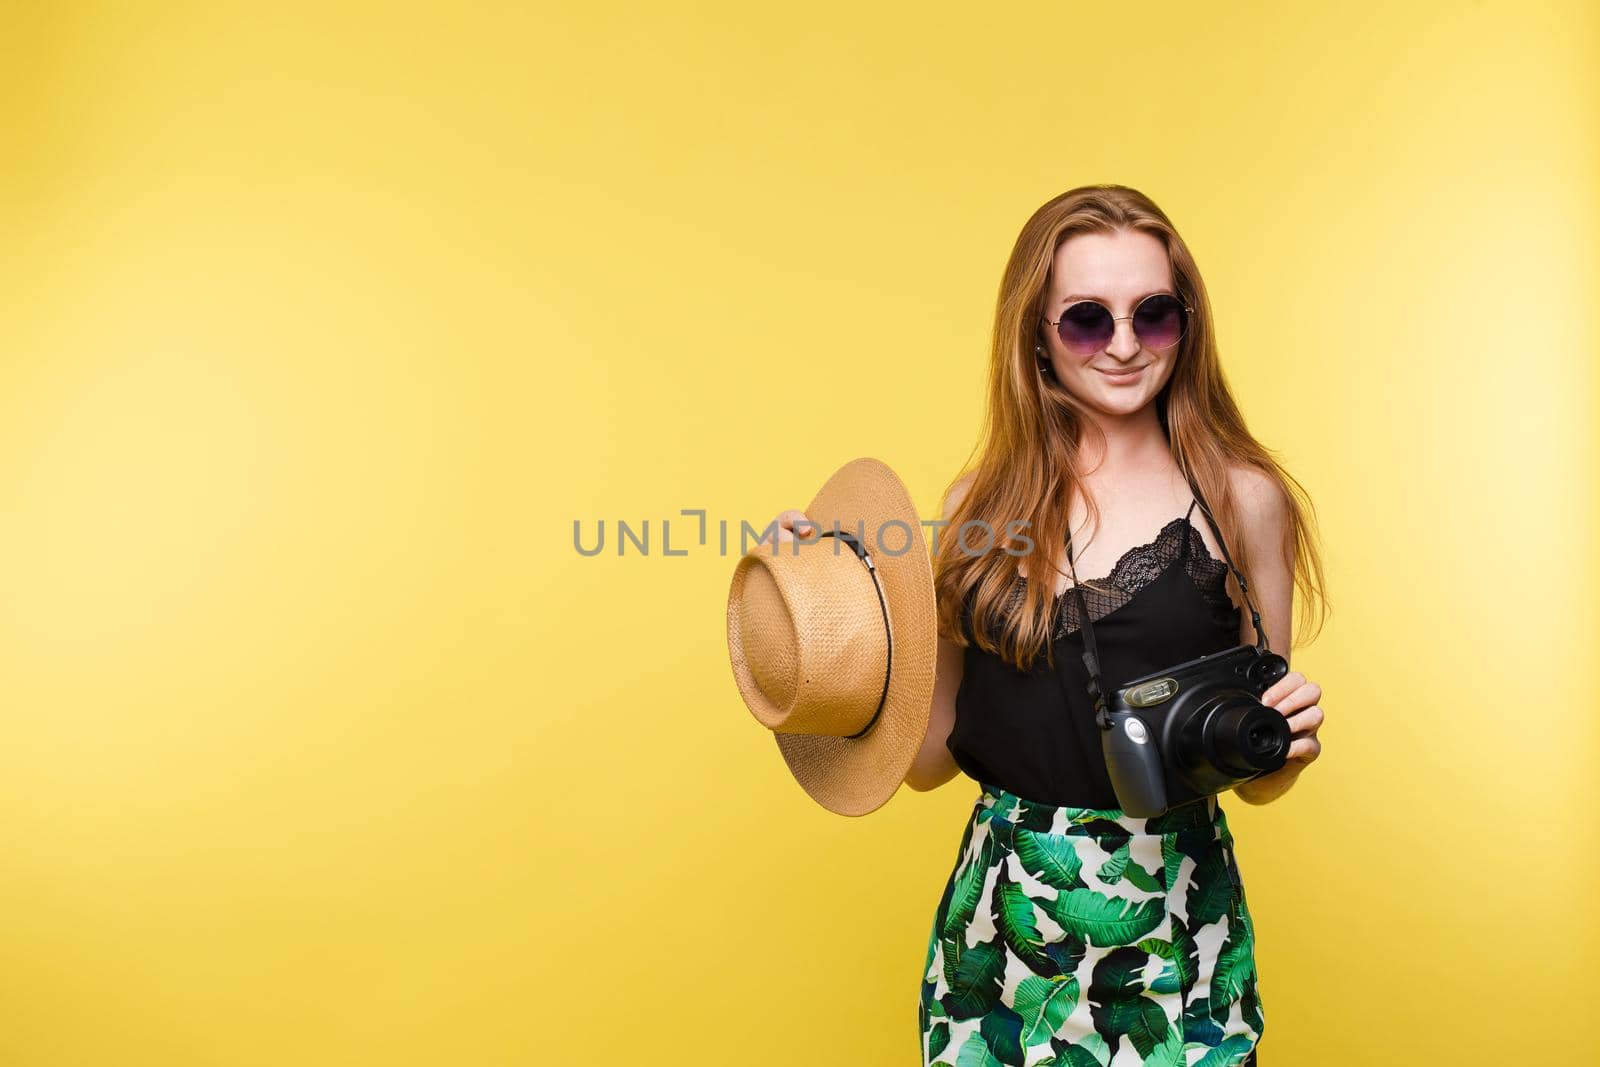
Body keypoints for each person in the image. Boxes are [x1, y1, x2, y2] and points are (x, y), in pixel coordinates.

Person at [765, 184, 1328, 1066]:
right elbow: (928, 758)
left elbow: (1254, 767)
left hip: (1172, 919)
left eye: (1154, 314)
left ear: (1188, 321)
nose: (1125, 345)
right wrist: (827, 604)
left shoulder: (1242, 499)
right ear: (1035, 333)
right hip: (1006, 930)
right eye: (1086, 321)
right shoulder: (978, 507)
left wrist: (1287, 751)